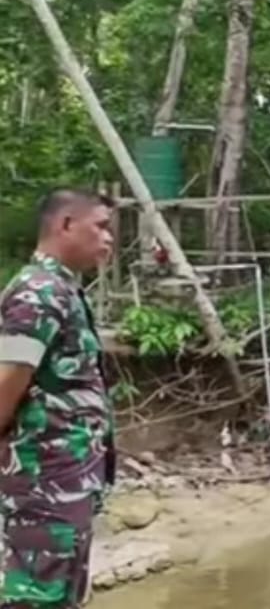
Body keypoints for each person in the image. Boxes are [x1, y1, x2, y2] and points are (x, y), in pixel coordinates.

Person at [0, 189, 117, 609]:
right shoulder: (38, 293)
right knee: (35, 597)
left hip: (65, 488)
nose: (109, 237)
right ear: (66, 224)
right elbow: (5, 382)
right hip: (40, 491)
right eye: (101, 226)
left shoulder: (63, 291)